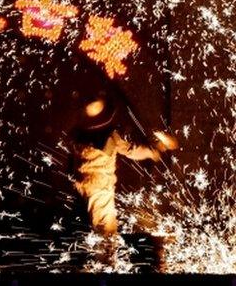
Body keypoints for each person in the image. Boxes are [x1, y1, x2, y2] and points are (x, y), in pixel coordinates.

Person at [72, 95, 178, 236]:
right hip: (99, 191)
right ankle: (106, 256)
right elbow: (131, 150)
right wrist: (152, 152)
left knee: (86, 229)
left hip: (80, 186)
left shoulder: (77, 136)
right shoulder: (109, 137)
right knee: (106, 233)